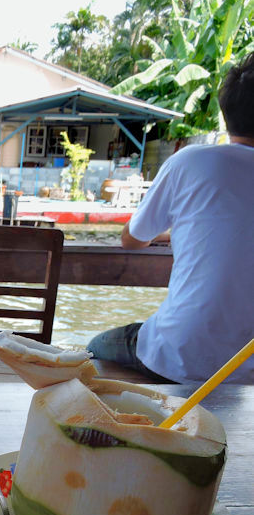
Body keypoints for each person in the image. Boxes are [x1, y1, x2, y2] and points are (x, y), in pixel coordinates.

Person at [87, 51, 254, 384]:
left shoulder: (191, 161)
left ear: (227, 114)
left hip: (178, 353)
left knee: (94, 346)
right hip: (247, 368)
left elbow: (132, 240)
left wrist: (168, 234)